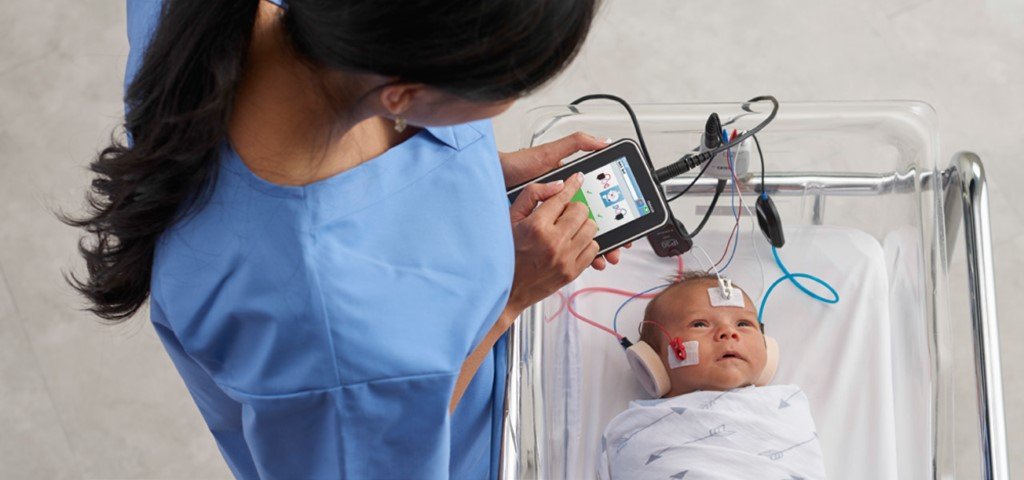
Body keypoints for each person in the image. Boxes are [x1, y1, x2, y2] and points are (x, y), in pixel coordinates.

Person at [60, 0, 618, 478]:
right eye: (512, 87)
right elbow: (381, 442)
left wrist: (471, 174)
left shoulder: (328, 41)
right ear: (402, 98)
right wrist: (510, 296)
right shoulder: (331, 334)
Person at [599, 273, 826, 479]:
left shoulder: (785, 406)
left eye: (744, 323)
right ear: (652, 361)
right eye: (700, 324)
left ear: (767, 346)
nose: (730, 332)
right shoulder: (637, 428)